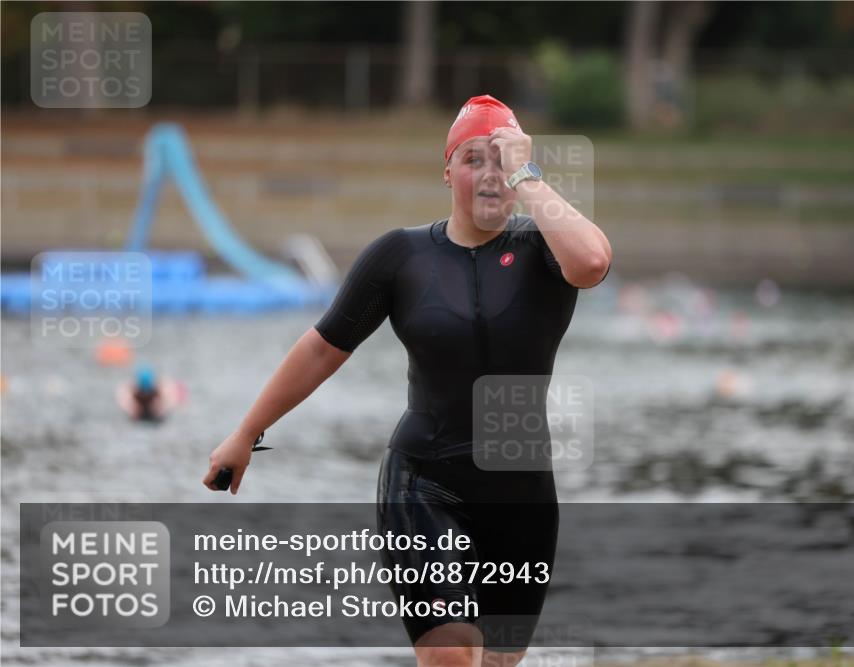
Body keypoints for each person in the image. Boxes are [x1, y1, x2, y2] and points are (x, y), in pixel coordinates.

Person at [203, 94, 612, 667]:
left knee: (496, 662)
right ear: (447, 172)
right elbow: (323, 348)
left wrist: (529, 175)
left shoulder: (545, 245)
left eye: (503, 159)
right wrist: (247, 431)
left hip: (522, 493)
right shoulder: (401, 257)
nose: (490, 174)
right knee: (451, 655)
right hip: (423, 480)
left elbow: (592, 264)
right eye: (474, 159)